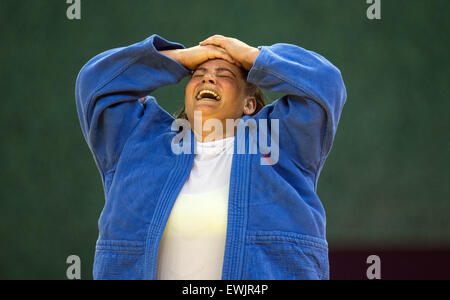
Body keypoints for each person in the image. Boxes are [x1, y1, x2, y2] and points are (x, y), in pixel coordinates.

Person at [75, 34, 346, 280]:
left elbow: (325, 83)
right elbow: (95, 84)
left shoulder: (279, 142)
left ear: (249, 103)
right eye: (199, 73)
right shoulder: (139, 140)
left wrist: (252, 56)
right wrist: (179, 60)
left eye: (224, 74)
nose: (208, 78)